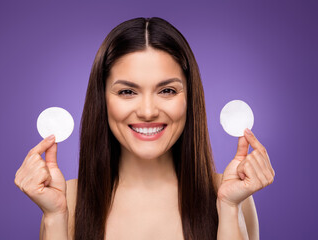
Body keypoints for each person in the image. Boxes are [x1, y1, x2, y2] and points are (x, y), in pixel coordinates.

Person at [14, 17, 275, 240]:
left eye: (167, 90)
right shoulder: (66, 200)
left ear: (189, 99)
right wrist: (55, 218)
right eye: (127, 91)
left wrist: (228, 208)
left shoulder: (231, 196)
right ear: (102, 100)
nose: (148, 111)